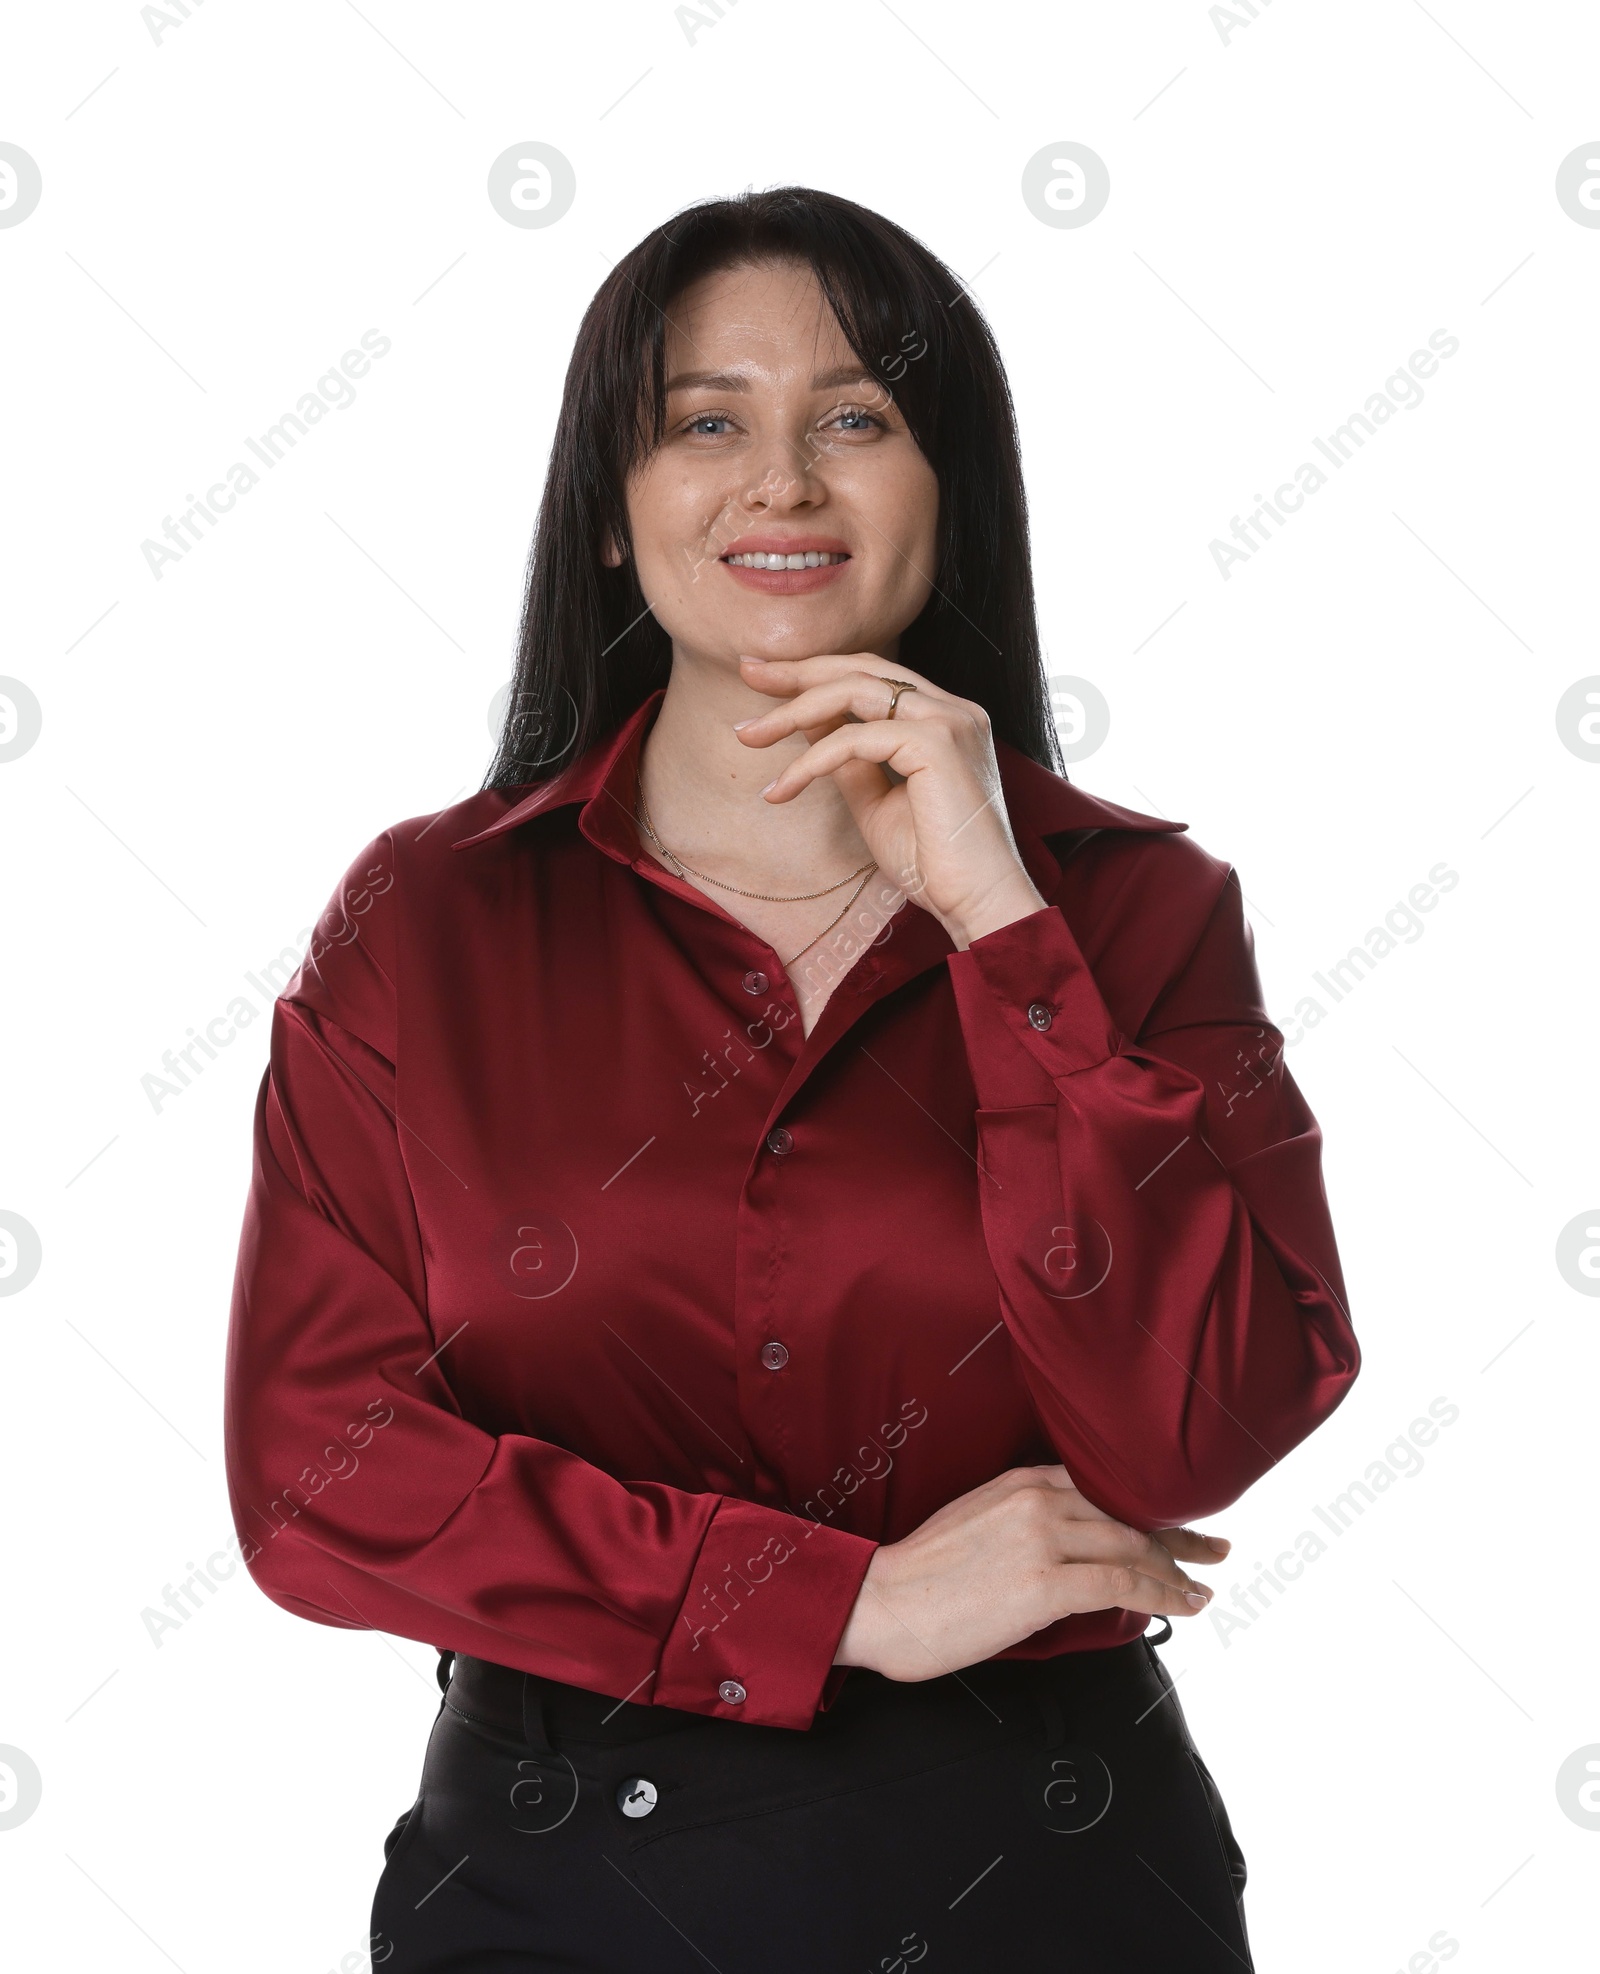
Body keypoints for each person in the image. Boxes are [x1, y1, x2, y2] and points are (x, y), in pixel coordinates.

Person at [223, 186, 1360, 1972]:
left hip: (1051, 1879)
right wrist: (852, 1601)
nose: (781, 480)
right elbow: (317, 1478)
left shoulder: (1138, 912)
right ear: (612, 509)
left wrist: (1002, 924)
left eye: (854, 417)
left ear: (948, 491)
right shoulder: (425, 922)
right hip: (564, 1884)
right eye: (704, 421)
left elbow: (1195, 1426)